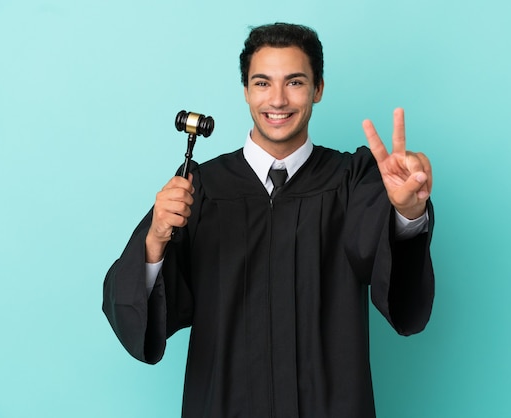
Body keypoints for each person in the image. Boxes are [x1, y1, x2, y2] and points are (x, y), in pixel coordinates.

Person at [103, 22, 435, 418]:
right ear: (245, 91)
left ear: (318, 89)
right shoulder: (202, 186)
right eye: (262, 83)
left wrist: (408, 212)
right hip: (226, 405)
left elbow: (390, 270)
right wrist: (155, 241)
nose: (277, 99)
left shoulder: (350, 180)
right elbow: (137, 309)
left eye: (295, 82)